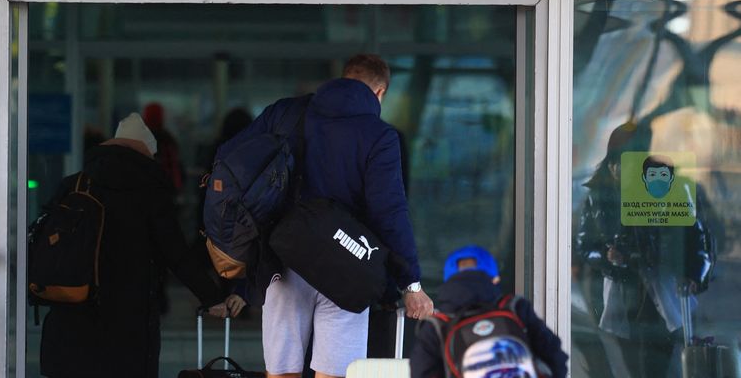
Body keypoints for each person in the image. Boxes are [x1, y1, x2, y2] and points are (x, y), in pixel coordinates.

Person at [225, 54, 433, 378]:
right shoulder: (378, 135)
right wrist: (410, 283)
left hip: (283, 259)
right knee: (335, 373)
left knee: (281, 372)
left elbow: (235, 164)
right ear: (380, 93)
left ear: (344, 77)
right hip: (346, 266)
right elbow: (389, 211)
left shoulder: (285, 113)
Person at [40, 113, 243, 378]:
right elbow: (176, 254)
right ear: (148, 153)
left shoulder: (75, 184)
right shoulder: (150, 192)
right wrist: (212, 297)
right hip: (128, 318)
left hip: (72, 312)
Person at [575, 121, 715, 377]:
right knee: (628, 357)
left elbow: (697, 237)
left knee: (661, 357)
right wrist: (608, 258)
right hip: (623, 291)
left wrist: (693, 273)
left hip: (663, 288)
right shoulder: (600, 196)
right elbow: (586, 245)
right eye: (620, 162)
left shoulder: (665, 186)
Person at [410, 245, 568, 378]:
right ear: (494, 280)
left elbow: (422, 372)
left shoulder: (437, 326)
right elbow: (555, 356)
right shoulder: (515, 308)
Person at [143, 102, 185, 194]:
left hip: (141, 191)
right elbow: (173, 167)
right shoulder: (167, 140)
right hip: (164, 191)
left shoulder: (138, 139)